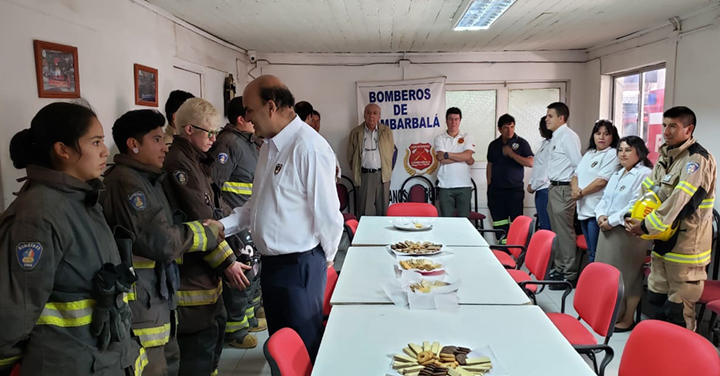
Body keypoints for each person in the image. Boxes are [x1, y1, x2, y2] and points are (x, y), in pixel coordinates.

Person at [0, 102, 144, 376]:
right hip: (67, 363)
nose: (105, 150)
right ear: (63, 150)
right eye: (96, 142)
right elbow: (14, 312)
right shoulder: (38, 214)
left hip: (101, 358)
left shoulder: (83, 199)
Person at [216, 75, 343, 361]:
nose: (246, 118)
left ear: (271, 106)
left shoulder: (308, 146)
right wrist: (222, 226)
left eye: (250, 110)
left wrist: (326, 259)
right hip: (272, 266)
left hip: (300, 265)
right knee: (281, 349)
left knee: (303, 348)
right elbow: (255, 206)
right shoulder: (269, 147)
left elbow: (328, 215)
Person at [100, 109, 228, 375]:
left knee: (170, 363)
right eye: (156, 140)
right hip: (142, 305)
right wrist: (205, 233)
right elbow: (160, 241)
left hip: (159, 299)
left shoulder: (148, 179)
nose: (164, 147)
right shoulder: (126, 183)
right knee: (154, 367)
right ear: (133, 145)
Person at [162, 98, 250, 376]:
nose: (214, 139)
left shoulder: (196, 160)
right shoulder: (179, 163)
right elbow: (201, 217)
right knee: (198, 348)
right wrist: (228, 262)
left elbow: (215, 206)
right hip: (192, 275)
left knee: (213, 338)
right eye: (208, 133)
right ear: (188, 130)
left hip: (206, 270)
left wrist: (234, 226)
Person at [626, 106, 717, 330]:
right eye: (665, 125)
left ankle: (683, 363)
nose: (666, 131)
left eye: (673, 126)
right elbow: (649, 192)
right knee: (656, 301)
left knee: (678, 312)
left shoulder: (696, 160)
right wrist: (633, 214)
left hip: (686, 249)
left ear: (689, 129)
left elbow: (680, 201)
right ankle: (659, 357)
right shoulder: (667, 155)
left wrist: (645, 226)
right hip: (662, 243)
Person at [208, 96, 267, 349]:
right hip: (234, 220)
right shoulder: (228, 143)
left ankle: (250, 317)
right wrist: (226, 218)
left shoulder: (250, 143)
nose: (255, 119)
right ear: (241, 118)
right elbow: (215, 185)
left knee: (253, 270)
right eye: (251, 114)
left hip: (249, 218)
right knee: (241, 273)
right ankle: (236, 328)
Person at [595, 136, 653, 332]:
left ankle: (627, 318)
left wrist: (610, 221)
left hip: (628, 232)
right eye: (620, 150)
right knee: (608, 274)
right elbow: (604, 199)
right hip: (607, 229)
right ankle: (611, 314)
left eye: (628, 150)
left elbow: (635, 205)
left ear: (639, 152)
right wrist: (600, 215)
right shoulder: (617, 173)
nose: (622, 154)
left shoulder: (645, 174)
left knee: (628, 276)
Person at [544, 102, 583, 287]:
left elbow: (578, 165)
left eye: (550, 116)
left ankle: (569, 273)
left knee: (565, 232)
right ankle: (559, 268)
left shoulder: (567, 136)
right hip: (554, 187)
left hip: (565, 188)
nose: (546, 119)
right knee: (557, 231)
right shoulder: (556, 137)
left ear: (561, 118)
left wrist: (574, 188)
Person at [572, 120, 620, 263]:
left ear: (613, 137)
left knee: (596, 253)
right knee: (590, 250)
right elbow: (575, 175)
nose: (601, 137)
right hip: (583, 209)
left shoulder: (612, 154)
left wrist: (580, 193)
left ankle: (595, 283)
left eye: (606, 134)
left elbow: (601, 181)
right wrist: (575, 190)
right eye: (598, 133)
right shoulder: (589, 154)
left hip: (597, 211)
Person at [486, 114, 534, 240]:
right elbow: (490, 164)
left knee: (516, 223)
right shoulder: (493, 145)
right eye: (506, 128)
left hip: (514, 190)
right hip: (496, 190)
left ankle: (516, 251)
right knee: (499, 223)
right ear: (500, 129)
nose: (510, 131)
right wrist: (489, 183)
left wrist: (512, 154)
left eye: (512, 127)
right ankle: (503, 250)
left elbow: (530, 162)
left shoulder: (521, 143)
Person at [347, 104, 394, 216]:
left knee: (383, 212)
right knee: (365, 213)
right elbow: (350, 157)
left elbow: (391, 151)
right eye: (368, 112)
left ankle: (383, 234)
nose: (371, 116)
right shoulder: (356, 132)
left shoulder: (386, 131)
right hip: (365, 176)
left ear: (379, 116)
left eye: (375, 113)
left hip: (382, 176)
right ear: (364, 115)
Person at [434, 107, 476, 217]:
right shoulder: (440, 138)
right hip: (445, 186)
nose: (453, 122)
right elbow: (441, 158)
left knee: (464, 221)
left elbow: (467, 155)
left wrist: (448, 154)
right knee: (447, 222)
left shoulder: (467, 136)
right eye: (450, 119)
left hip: (464, 185)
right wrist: (463, 157)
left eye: (456, 119)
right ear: (446, 120)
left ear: (460, 120)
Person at [527, 116, 553, 230]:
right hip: (540, 189)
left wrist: (532, 186)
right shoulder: (545, 143)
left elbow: (546, 170)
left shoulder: (553, 145)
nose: (539, 130)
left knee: (546, 225)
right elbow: (538, 167)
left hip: (545, 189)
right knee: (543, 224)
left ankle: (548, 248)